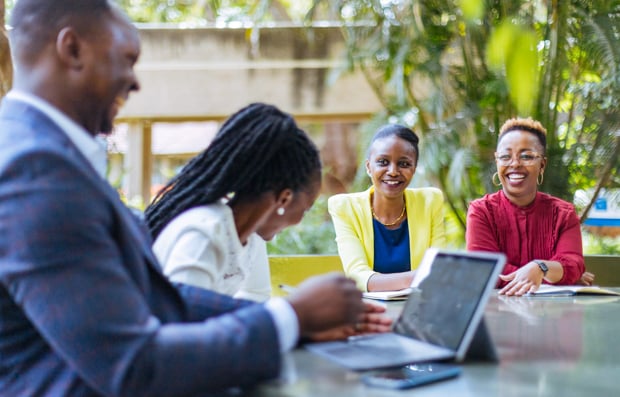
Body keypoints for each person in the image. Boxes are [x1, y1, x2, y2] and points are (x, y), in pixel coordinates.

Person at [0, 1, 385, 395]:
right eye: (127, 59)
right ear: (73, 49)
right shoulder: (35, 169)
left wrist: (302, 323)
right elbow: (134, 365)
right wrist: (289, 317)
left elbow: (155, 299)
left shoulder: (51, 157)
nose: (135, 82)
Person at [144, 102, 322, 302]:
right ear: (284, 199)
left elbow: (255, 299)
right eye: (305, 210)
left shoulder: (250, 237)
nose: (299, 220)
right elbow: (183, 324)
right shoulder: (203, 235)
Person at [466, 117, 593, 296]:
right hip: (496, 315)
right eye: (505, 156)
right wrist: (552, 273)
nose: (515, 163)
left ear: (542, 164)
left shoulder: (564, 214)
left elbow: (573, 264)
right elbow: (483, 269)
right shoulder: (481, 211)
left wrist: (539, 268)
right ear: (497, 161)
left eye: (526, 156)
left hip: (551, 317)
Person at [328, 124, 446, 292]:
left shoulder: (430, 201)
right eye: (383, 162)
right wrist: (423, 276)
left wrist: (432, 274)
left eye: (404, 163)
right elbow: (358, 277)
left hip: (419, 307)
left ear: (414, 168)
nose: (392, 172)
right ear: (369, 167)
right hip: (370, 312)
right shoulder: (345, 207)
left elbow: (439, 268)